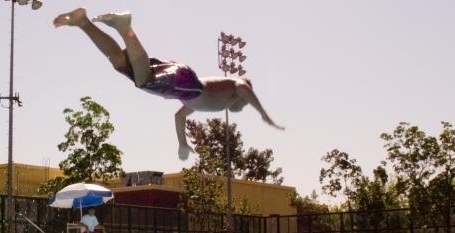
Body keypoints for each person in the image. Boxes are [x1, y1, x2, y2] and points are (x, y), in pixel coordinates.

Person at [53, 8, 284, 160]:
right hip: (186, 82)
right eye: (243, 106)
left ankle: (83, 22)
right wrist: (262, 113)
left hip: (181, 82)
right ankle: (125, 28)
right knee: (143, 81)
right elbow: (244, 87)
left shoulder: (196, 105)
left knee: (120, 63)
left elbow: (179, 117)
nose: (241, 108)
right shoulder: (236, 89)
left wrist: (182, 144)